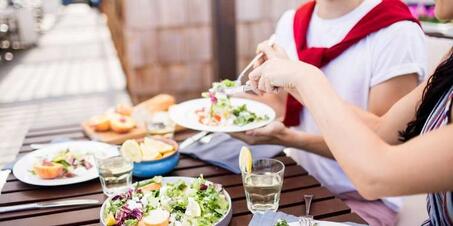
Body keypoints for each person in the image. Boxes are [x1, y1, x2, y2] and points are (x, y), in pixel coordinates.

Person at [242, 0, 453, 225]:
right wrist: (295, 81)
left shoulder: (395, 28)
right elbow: (382, 130)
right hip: (308, 181)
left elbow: (376, 173)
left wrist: (305, 78)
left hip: (360, 198)